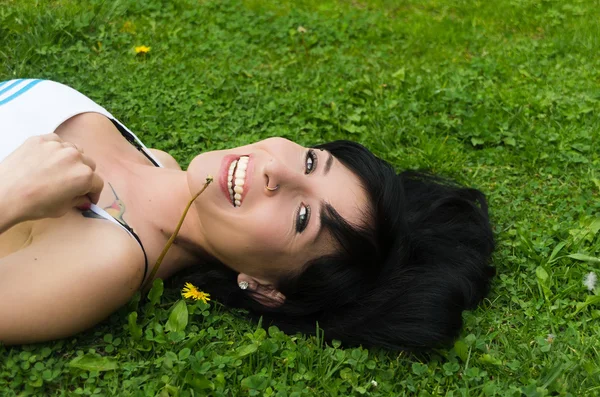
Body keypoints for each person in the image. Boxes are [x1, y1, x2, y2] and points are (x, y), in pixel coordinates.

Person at [0, 79, 495, 349]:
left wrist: (11, 194)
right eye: (309, 161)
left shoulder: (110, 260)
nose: (274, 167)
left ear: (264, 287)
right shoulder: (156, 161)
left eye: (302, 218)